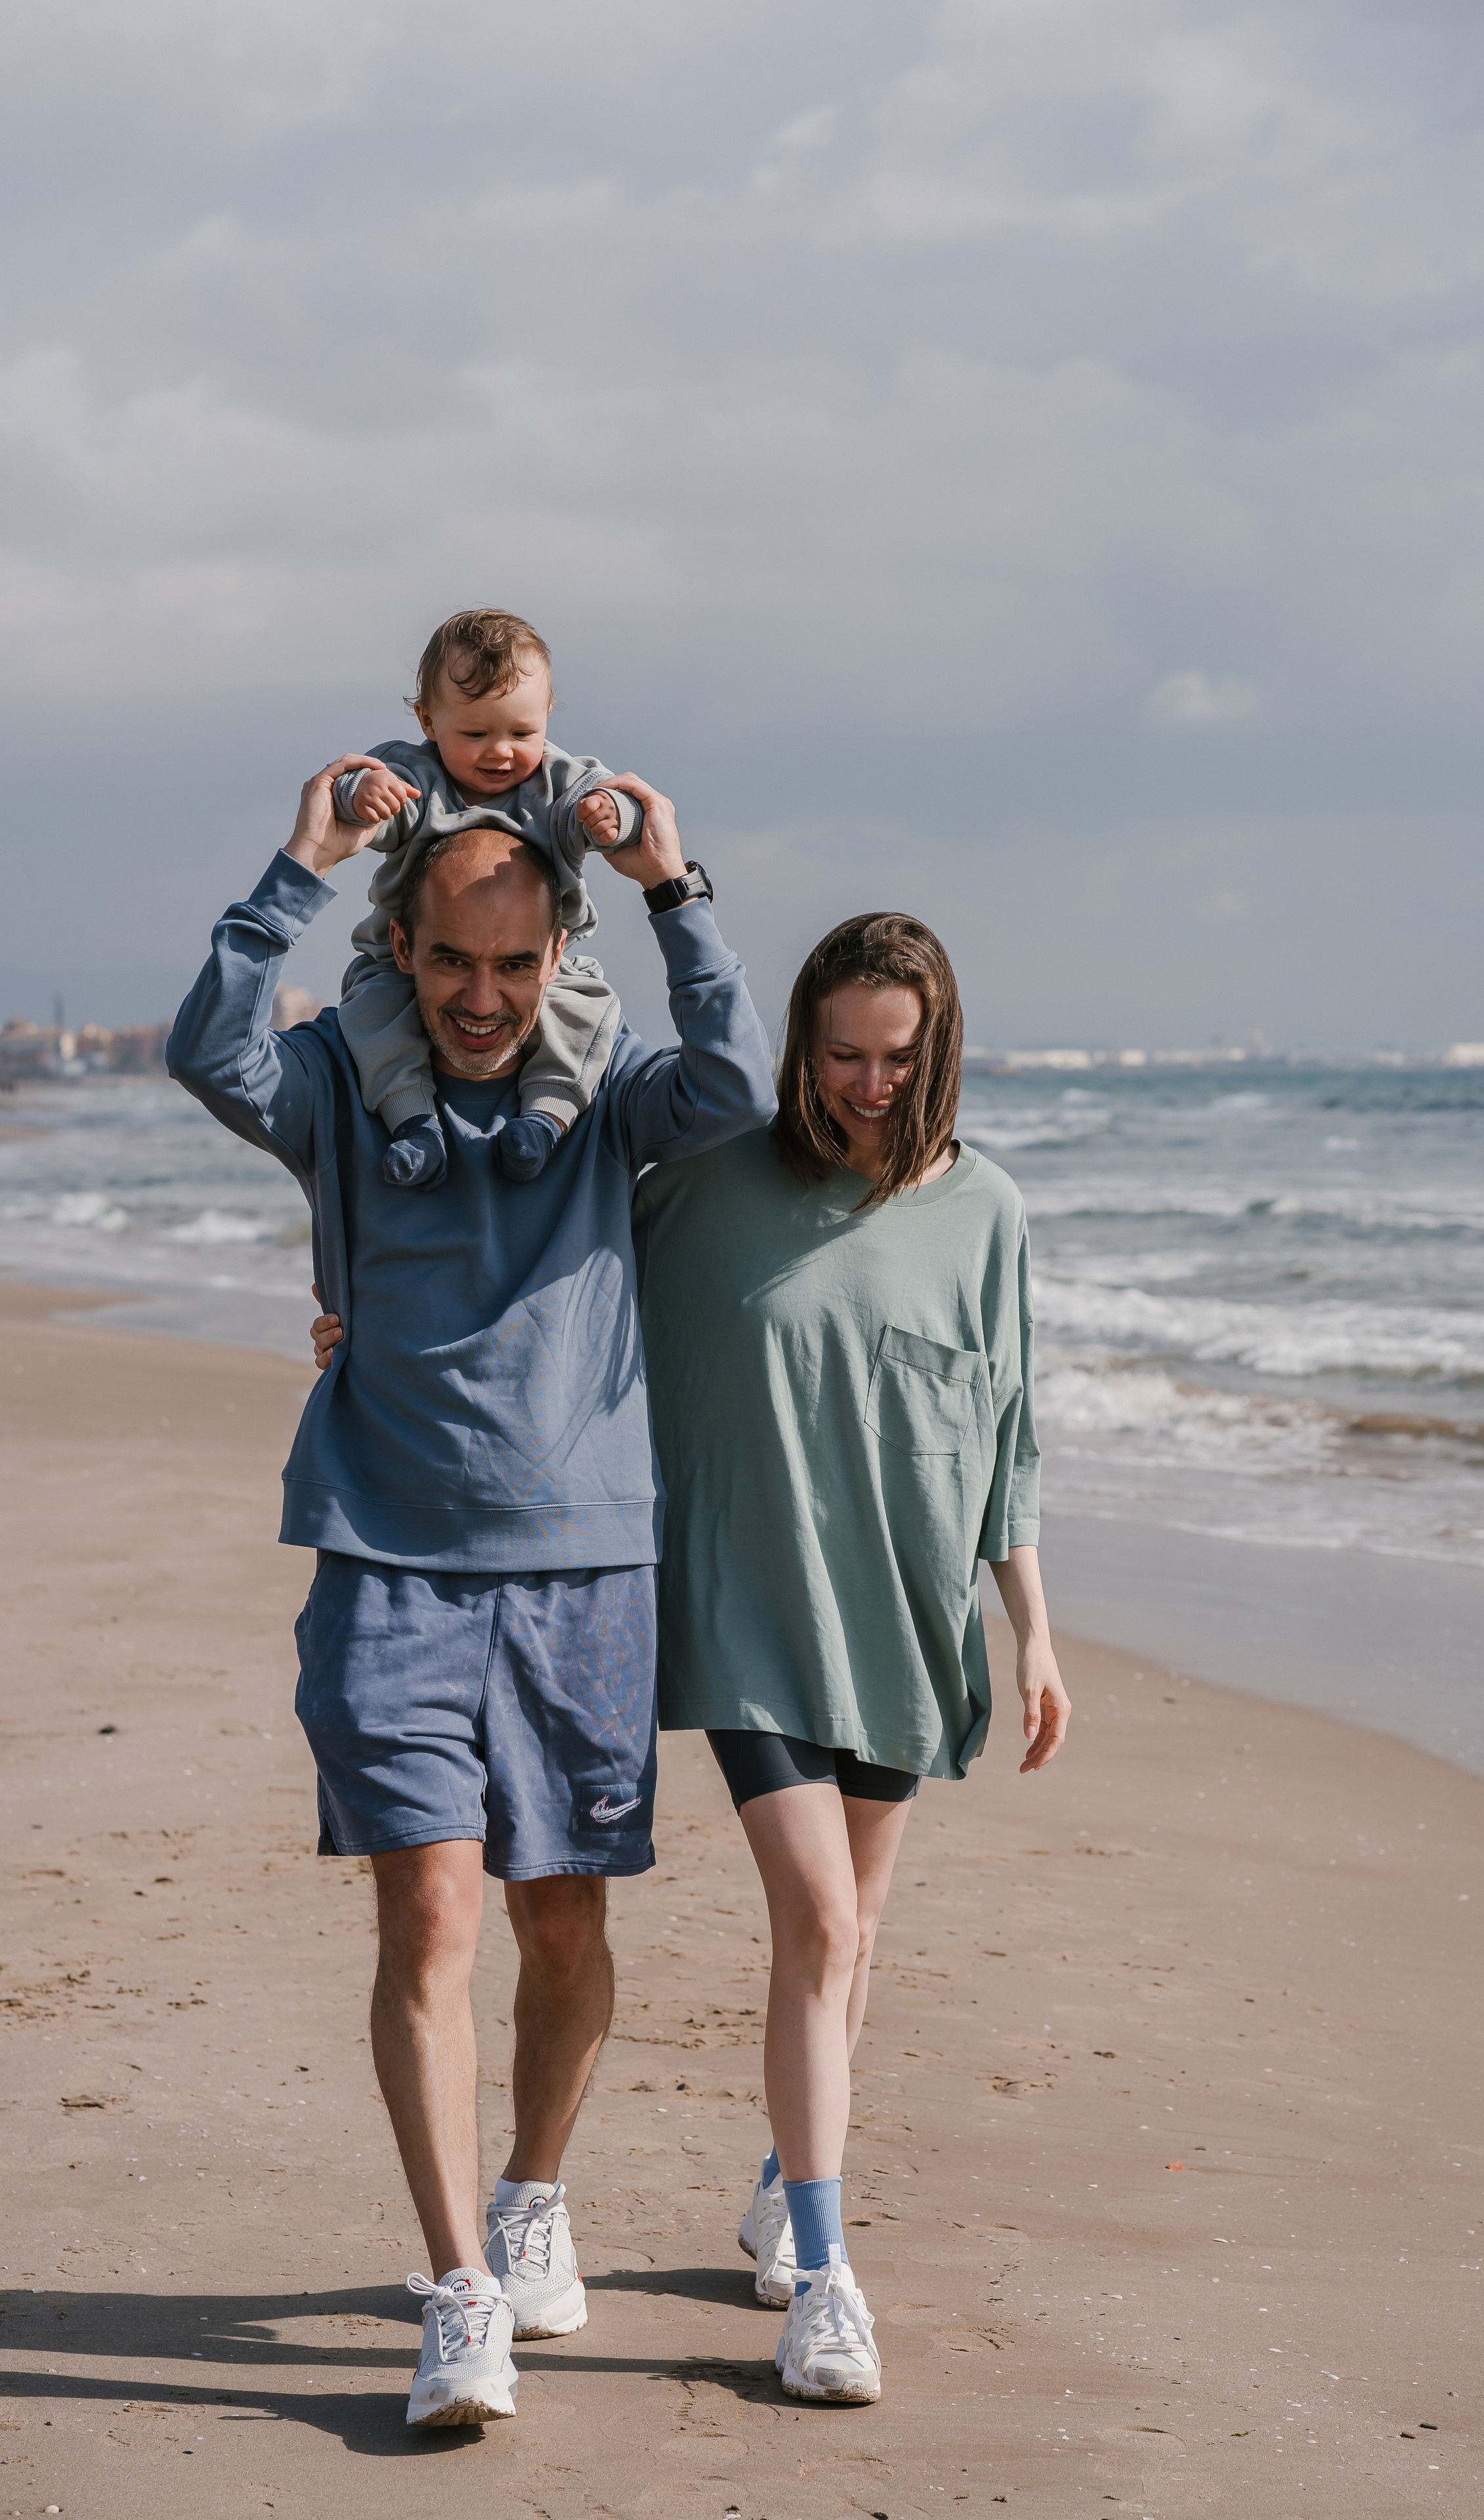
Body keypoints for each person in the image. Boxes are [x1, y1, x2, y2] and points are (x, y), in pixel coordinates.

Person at [167, 756, 775, 2430]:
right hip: (385, 1557)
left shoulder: (615, 1089)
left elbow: (732, 1082)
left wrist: (675, 888)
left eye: (517, 965)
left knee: (562, 1916)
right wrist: (297, 857)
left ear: (560, 956)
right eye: (453, 962)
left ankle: (530, 2195)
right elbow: (206, 1048)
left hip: (585, 1560)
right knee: (427, 1910)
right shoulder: (338, 1088)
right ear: (403, 952)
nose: (484, 998)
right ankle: (455, 2290)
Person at [633, 911, 1071, 2405]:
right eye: (840, 1052)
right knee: (819, 1917)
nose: (867, 1081)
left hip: (903, 1615)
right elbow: (541, 1297)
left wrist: (1033, 1630)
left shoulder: (986, 1209)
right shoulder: (700, 1188)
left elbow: (1003, 1432)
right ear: (798, 1042)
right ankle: (823, 2275)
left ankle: (779, 2181)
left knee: (853, 1934)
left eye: (896, 1056)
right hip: (744, 1610)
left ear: (933, 1049)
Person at [331, 607, 641, 1191]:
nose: (500, 752)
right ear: (427, 720)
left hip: (541, 967)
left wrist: (613, 818)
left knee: (585, 1010)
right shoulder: (416, 778)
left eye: (522, 733)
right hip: (405, 964)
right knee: (372, 1015)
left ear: (548, 718)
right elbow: (358, 797)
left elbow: (614, 801)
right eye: (475, 734)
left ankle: (546, 1119)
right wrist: (362, 794)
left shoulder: (558, 784)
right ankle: (415, 1124)